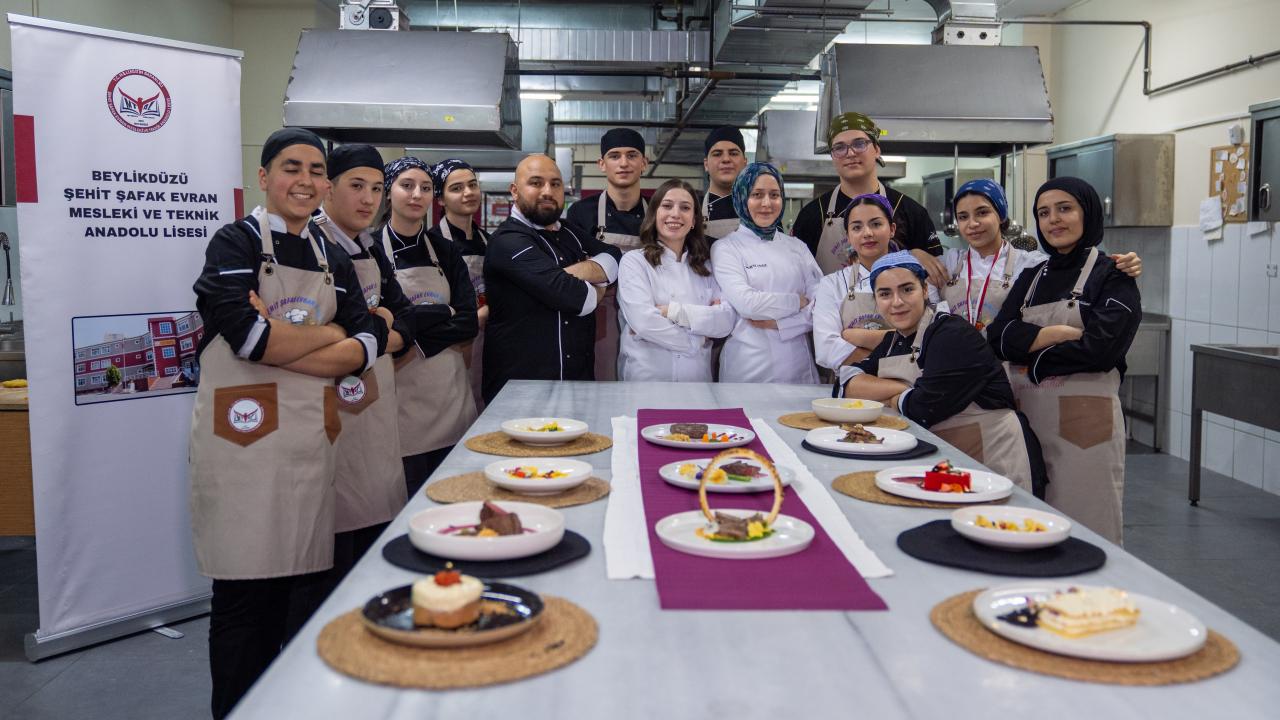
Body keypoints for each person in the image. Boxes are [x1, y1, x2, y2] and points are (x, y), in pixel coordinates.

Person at [189, 128, 389, 719]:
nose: (304, 181)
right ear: (264, 177)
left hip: (309, 449)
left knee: (297, 601)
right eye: (290, 168)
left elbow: (372, 339)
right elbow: (248, 340)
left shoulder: (330, 255)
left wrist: (296, 342)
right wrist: (334, 336)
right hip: (244, 453)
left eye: (314, 171)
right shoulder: (234, 244)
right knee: (245, 604)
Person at [987, 177, 1142, 544]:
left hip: (1083, 428)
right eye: (1044, 213)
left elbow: (1102, 349)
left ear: (1087, 213)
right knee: (1026, 523)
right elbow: (997, 338)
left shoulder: (1113, 275)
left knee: (1086, 528)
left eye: (1065, 208)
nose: (1053, 219)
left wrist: (1033, 358)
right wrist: (1055, 336)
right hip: (1025, 421)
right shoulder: (1031, 277)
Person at [836, 251, 1040, 493]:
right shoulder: (892, 341)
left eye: (907, 289)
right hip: (946, 462)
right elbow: (847, 385)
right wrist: (907, 389)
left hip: (994, 459)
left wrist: (889, 395)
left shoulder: (952, 333)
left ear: (924, 290)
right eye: (885, 294)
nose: (897, 302)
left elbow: (922, 408)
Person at [310, 144, 411, 570]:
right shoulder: (310, 244)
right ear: (328, 189)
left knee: (370, 540)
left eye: (375, 188)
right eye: (356, 186)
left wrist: (375, 328)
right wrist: (373, 328)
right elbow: (320, 336)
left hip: (375, 409)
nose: (368, 199)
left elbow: (405, 317)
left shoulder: (369, 246)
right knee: (328, 546)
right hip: (328, 411)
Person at [483, 154, 623, 402]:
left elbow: (614, 256)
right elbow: (579, 300)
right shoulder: (508, 241)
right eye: (536, 183)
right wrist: (595, 284)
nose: (548, 191)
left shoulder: (569, 231)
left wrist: (564, 277)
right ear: (515, 191)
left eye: (555, 184)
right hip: (520, 392)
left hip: (577, 384)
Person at [379, 156, 479, 495]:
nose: (416, 195)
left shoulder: (445, 251)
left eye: (424, 188)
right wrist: (442, 312)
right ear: (388, 192)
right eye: (406, 186)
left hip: (450, 401)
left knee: (454, 497)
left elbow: (467, 323)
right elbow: (376, 322)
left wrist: (411, 336)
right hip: (398, 408)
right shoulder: (372, 251)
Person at [939, 179, 1142, 336]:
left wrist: (1126, 263)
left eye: (982, 213)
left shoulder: (1032, 264)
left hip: (1007, 371)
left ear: (1001, 216)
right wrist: (919, 254)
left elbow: (1075, 269)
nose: (972, 223)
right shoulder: (948, 262)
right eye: (963, 217)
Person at [791, 111, 945, 279]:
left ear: (877, 149)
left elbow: (934, 280)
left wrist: (914, 255)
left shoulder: (911, 211)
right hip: (832, 304)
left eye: (859, 144)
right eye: (839, 147)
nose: (850, 153)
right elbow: (797, 278)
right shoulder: (811, 215)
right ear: (833, 157)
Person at [711, 162, 823, 384]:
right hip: (748, 368)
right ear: (742, 198)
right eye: (757, 195)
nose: (766, 203)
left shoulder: (797, 246)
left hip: (799, 368)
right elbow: (748, 304)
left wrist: (782, 324)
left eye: (774, 195)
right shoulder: (726, 248)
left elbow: (822, 305)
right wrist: (797, 302)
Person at [617, 179, 736, 381]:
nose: (675, 214)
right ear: (654, 214)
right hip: (647, 381)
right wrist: (699, 337)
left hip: (697, 381)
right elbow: (645, 322)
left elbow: (725, 321)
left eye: (685, 208)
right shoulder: (635, 262)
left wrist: (671, 312)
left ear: (694, 220)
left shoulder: (706, 268)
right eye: (667, 206)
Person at [812, 193, 943, 374]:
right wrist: (900, 358)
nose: (867, 233)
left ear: (892, 229)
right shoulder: (831, 284)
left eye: (876, 224)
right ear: (848, 236)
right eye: (857, 227)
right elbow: (826, 349)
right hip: (854, 390)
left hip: (913, 387)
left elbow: (937, 338)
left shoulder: (919, 276)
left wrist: (858, 337)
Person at [565, 128, 649, 381]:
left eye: (632, 155)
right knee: (603, 376)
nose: (623, 163)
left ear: (644, 163)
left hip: (645, 312)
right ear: (602, 164)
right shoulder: (581, 213)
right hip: (599, 311)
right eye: (614, 156)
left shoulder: (659, 213)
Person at [429, 158, 489, 406]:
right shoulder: (432, 244)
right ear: (440, 199)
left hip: (488, 342)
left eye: (472, 185)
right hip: (452, 342)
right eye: (456, 188)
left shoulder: (490, 241)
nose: (468, 193)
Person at [700, 125, 748, 241]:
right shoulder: (691, 209)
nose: (726, 159)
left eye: (733, 153)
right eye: (717, 154)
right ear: (706, 164)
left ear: (745, 162)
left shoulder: (761, 208)